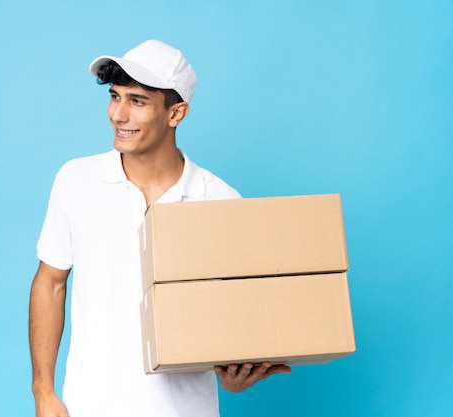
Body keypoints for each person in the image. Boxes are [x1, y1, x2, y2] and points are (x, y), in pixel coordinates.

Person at [28, 39, 291, 417]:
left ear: (176, 113)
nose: (118, 114)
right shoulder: (76, 180)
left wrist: (234, 372)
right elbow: (50, 283)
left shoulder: (221, 202)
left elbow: (233, 320)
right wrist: (43, 391)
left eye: (137, 101)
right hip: (86, 407)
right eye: (115, 97)